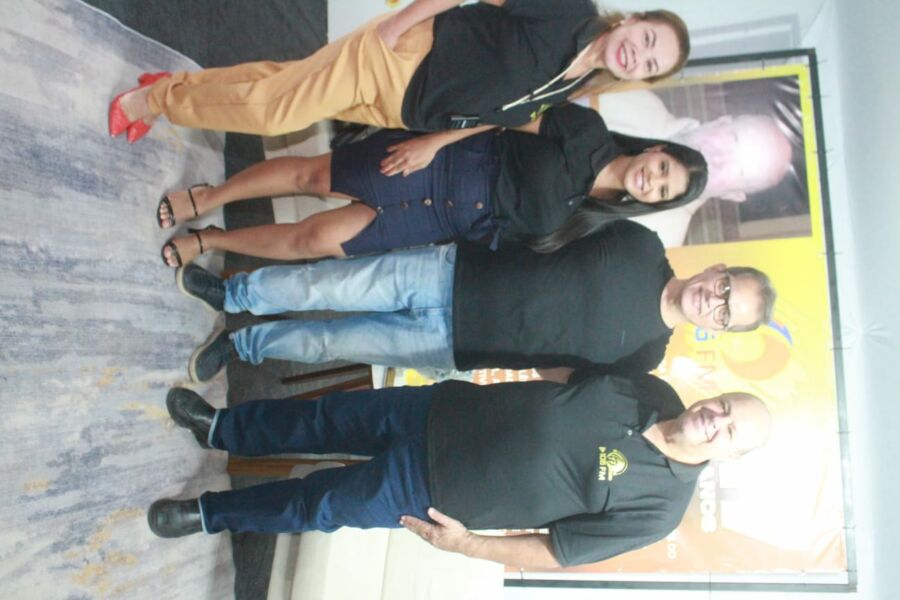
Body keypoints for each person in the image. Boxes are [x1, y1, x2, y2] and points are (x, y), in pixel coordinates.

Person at [148, 374, 773, 568]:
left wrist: (467, 545)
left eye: (730, 430)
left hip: (434, 489)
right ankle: (221, 427)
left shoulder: (660, 510)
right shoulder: (654, 391)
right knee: (322, 419)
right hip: (439, 408)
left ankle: (206, 514)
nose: (714, 419)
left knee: (315, 504)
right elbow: (562, 383)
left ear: (729, 457)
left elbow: (557, 552)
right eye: (724, 405)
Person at [175, 220, 776, 382]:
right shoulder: (640, 243)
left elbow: (559, 375)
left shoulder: (645, 356)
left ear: (719, 330)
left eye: (727, 313)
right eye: (726, 288)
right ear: (718, 269)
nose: (714, 302)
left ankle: (242, 345)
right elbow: (551, 223)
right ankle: (234, 292)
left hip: (453, 344)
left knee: (331, 342)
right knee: (326, 284)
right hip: (451, 271)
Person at [157, 103, 708, 266]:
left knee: (314, 241)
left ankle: (212, 240)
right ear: (656, 150)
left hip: (439, 221)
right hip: (442, 163)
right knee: (313, 176)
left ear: (652, 203)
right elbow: (504, 114)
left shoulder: (591, 221)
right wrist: (433, 142)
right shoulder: (587, 130)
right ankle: (211, 197)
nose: (653, 181)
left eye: (663, 192)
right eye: (664, 169)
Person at [108, 0, 690, 143]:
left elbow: (499, 112)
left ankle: (172, 88)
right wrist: (397, 25)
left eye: (650, 63)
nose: (637, 55)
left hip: (405, 108)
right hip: (403, 56)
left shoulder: (579, 84)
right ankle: (153, 102)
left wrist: (431, 142)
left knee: (277, 80)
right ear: (633, 19)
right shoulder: (570, 10)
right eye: (646, 39)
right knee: (274, 113)